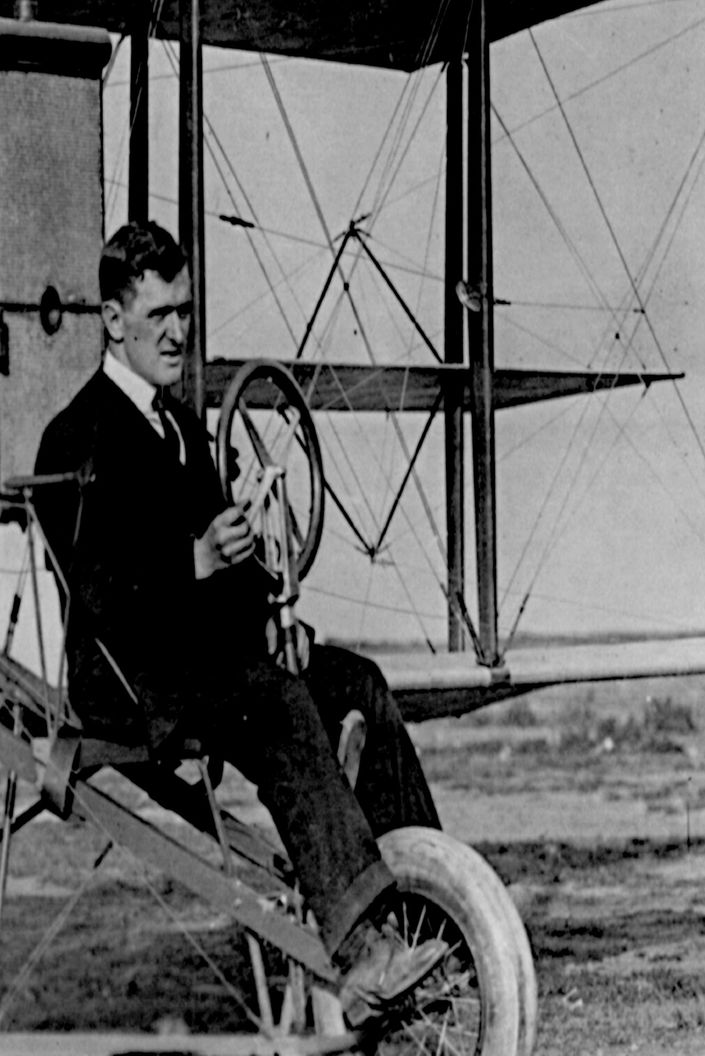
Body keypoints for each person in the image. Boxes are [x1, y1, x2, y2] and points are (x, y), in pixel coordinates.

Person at [32, 220, 445, 1022]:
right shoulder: (76, 437)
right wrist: (194, 562)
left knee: (356, 681)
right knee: (283, 704)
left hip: (204, 664)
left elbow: (234, 561)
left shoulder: (181, 427)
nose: (179, 331)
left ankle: (423, 903)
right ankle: (362, 954)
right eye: (159, 318)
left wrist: (270, 618)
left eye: (184, 310)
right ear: (114, 321)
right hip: (129, 680)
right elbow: (100, 595)